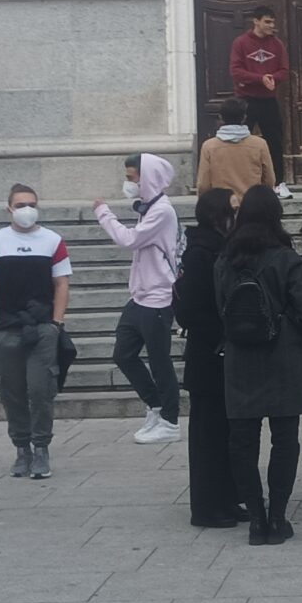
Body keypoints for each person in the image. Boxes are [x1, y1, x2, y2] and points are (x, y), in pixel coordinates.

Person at [216, 185, 302, 545]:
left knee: (242, 442)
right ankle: (277, 516)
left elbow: (220, 309)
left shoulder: (225, 259)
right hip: (283, 356)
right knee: (284, 440)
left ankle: (256, 520)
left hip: (240, 359)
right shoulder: (286, 258)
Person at [0, 183, 72, 481]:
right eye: (20, 205)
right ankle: (22, 447)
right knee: (12, 392)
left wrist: (56, 323)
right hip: (6, 329)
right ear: (9, 209)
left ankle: (41, 446)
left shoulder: (53, 241)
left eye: (31, 204)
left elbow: (62, 283)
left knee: (41, 389)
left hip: (42, 327)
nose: (26, 210)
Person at [94, 153, 181, 444]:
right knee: (123, 354)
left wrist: (104, 213)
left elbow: (128, 240)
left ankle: (170, 420)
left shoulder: (162, 211)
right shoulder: (149, 207)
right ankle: (155, 405)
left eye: (132, 177)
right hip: (141, 295)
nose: (128, 183)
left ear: (148, 178)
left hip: (158, 297)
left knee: (159, 360)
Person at [174, 188, 245, 528]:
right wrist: (223, 328)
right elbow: (189, 310)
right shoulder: (201, 253)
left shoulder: (220, 248)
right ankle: (206, 507)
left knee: (226, 434)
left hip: (223, 358)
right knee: (208, 437)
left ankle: (228, 499)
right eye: (233, 208)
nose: (238, 214)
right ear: (218, 215)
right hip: (208, 357)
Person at [229, 8, 293, 197]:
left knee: (274, 142)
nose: (271, 26)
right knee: (240, 142)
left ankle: (278, 183)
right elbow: (236, 71)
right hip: (246, 100)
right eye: (267, 22)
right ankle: (241, 183)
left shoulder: (277, 44)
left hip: (268, 101)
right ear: (256, 21)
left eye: (273, 22)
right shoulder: (241, 43)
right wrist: (260, 79)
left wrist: (273, 78)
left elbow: (284, 69)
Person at [196, 96, 277, 198]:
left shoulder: (209, 146)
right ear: (244, 117)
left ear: (221, 117)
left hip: (222, 205)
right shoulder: (260, 144)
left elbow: (203, 184)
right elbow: (269, 180)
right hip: (251, 204)